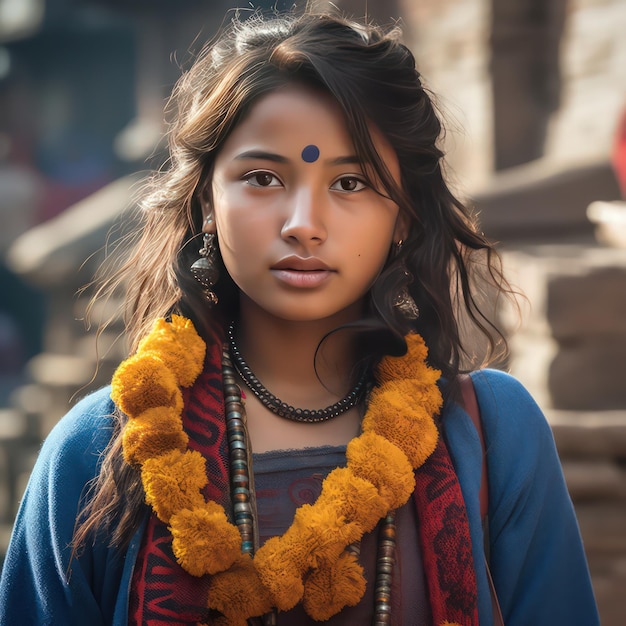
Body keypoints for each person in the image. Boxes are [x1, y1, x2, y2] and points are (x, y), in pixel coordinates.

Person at [0, 9, 599, 626]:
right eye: (262, 177)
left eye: (350, 182)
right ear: (208, 199)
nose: (303, 224)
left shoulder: (493, 438)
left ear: (405, 216)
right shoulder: (99, 451)